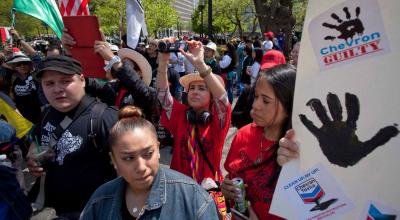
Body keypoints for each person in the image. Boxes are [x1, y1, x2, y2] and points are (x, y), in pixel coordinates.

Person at [80, 106, 219, 219]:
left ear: (158, 149)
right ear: (114, 160)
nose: (141, 167)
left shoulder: (192, 198)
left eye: (148, 154)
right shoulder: (100, 201)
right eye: (128, 158)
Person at [26, 55, 118, 219]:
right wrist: (32, 156)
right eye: (49, 83)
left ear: (82, 80)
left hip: (91, 212)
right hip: (53, 209)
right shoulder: (47, 113)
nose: (57, 89)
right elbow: (36, 139)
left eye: (65, 81)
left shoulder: (104, 118)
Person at [221, 64, 296, 220]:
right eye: (256, 97)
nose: (255, 106)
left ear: (289, 106)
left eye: (266, 101)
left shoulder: (297, 149)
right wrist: (226, 190)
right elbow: (230, 178)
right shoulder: (244, 134)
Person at [157, 40, 231, 184]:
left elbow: (222, 99)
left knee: (217, 207)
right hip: (180, 190)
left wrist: (200, 64)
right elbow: (162, 95)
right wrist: (163, 62)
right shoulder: (180, 115)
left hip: (210, 191)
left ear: (211, 97)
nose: (195, 92)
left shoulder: (217, 120)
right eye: (192, 88)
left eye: (202, 88)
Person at [6, 29, 47, 124]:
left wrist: (19, 39)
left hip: (40, 116)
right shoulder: (13, 77)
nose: (22, 66)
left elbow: (35, 56)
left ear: (30, 64)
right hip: (21, 117)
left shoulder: (36, 75)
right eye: (18, 64)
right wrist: (4, 53)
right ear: (14, 67)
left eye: (25, 63)